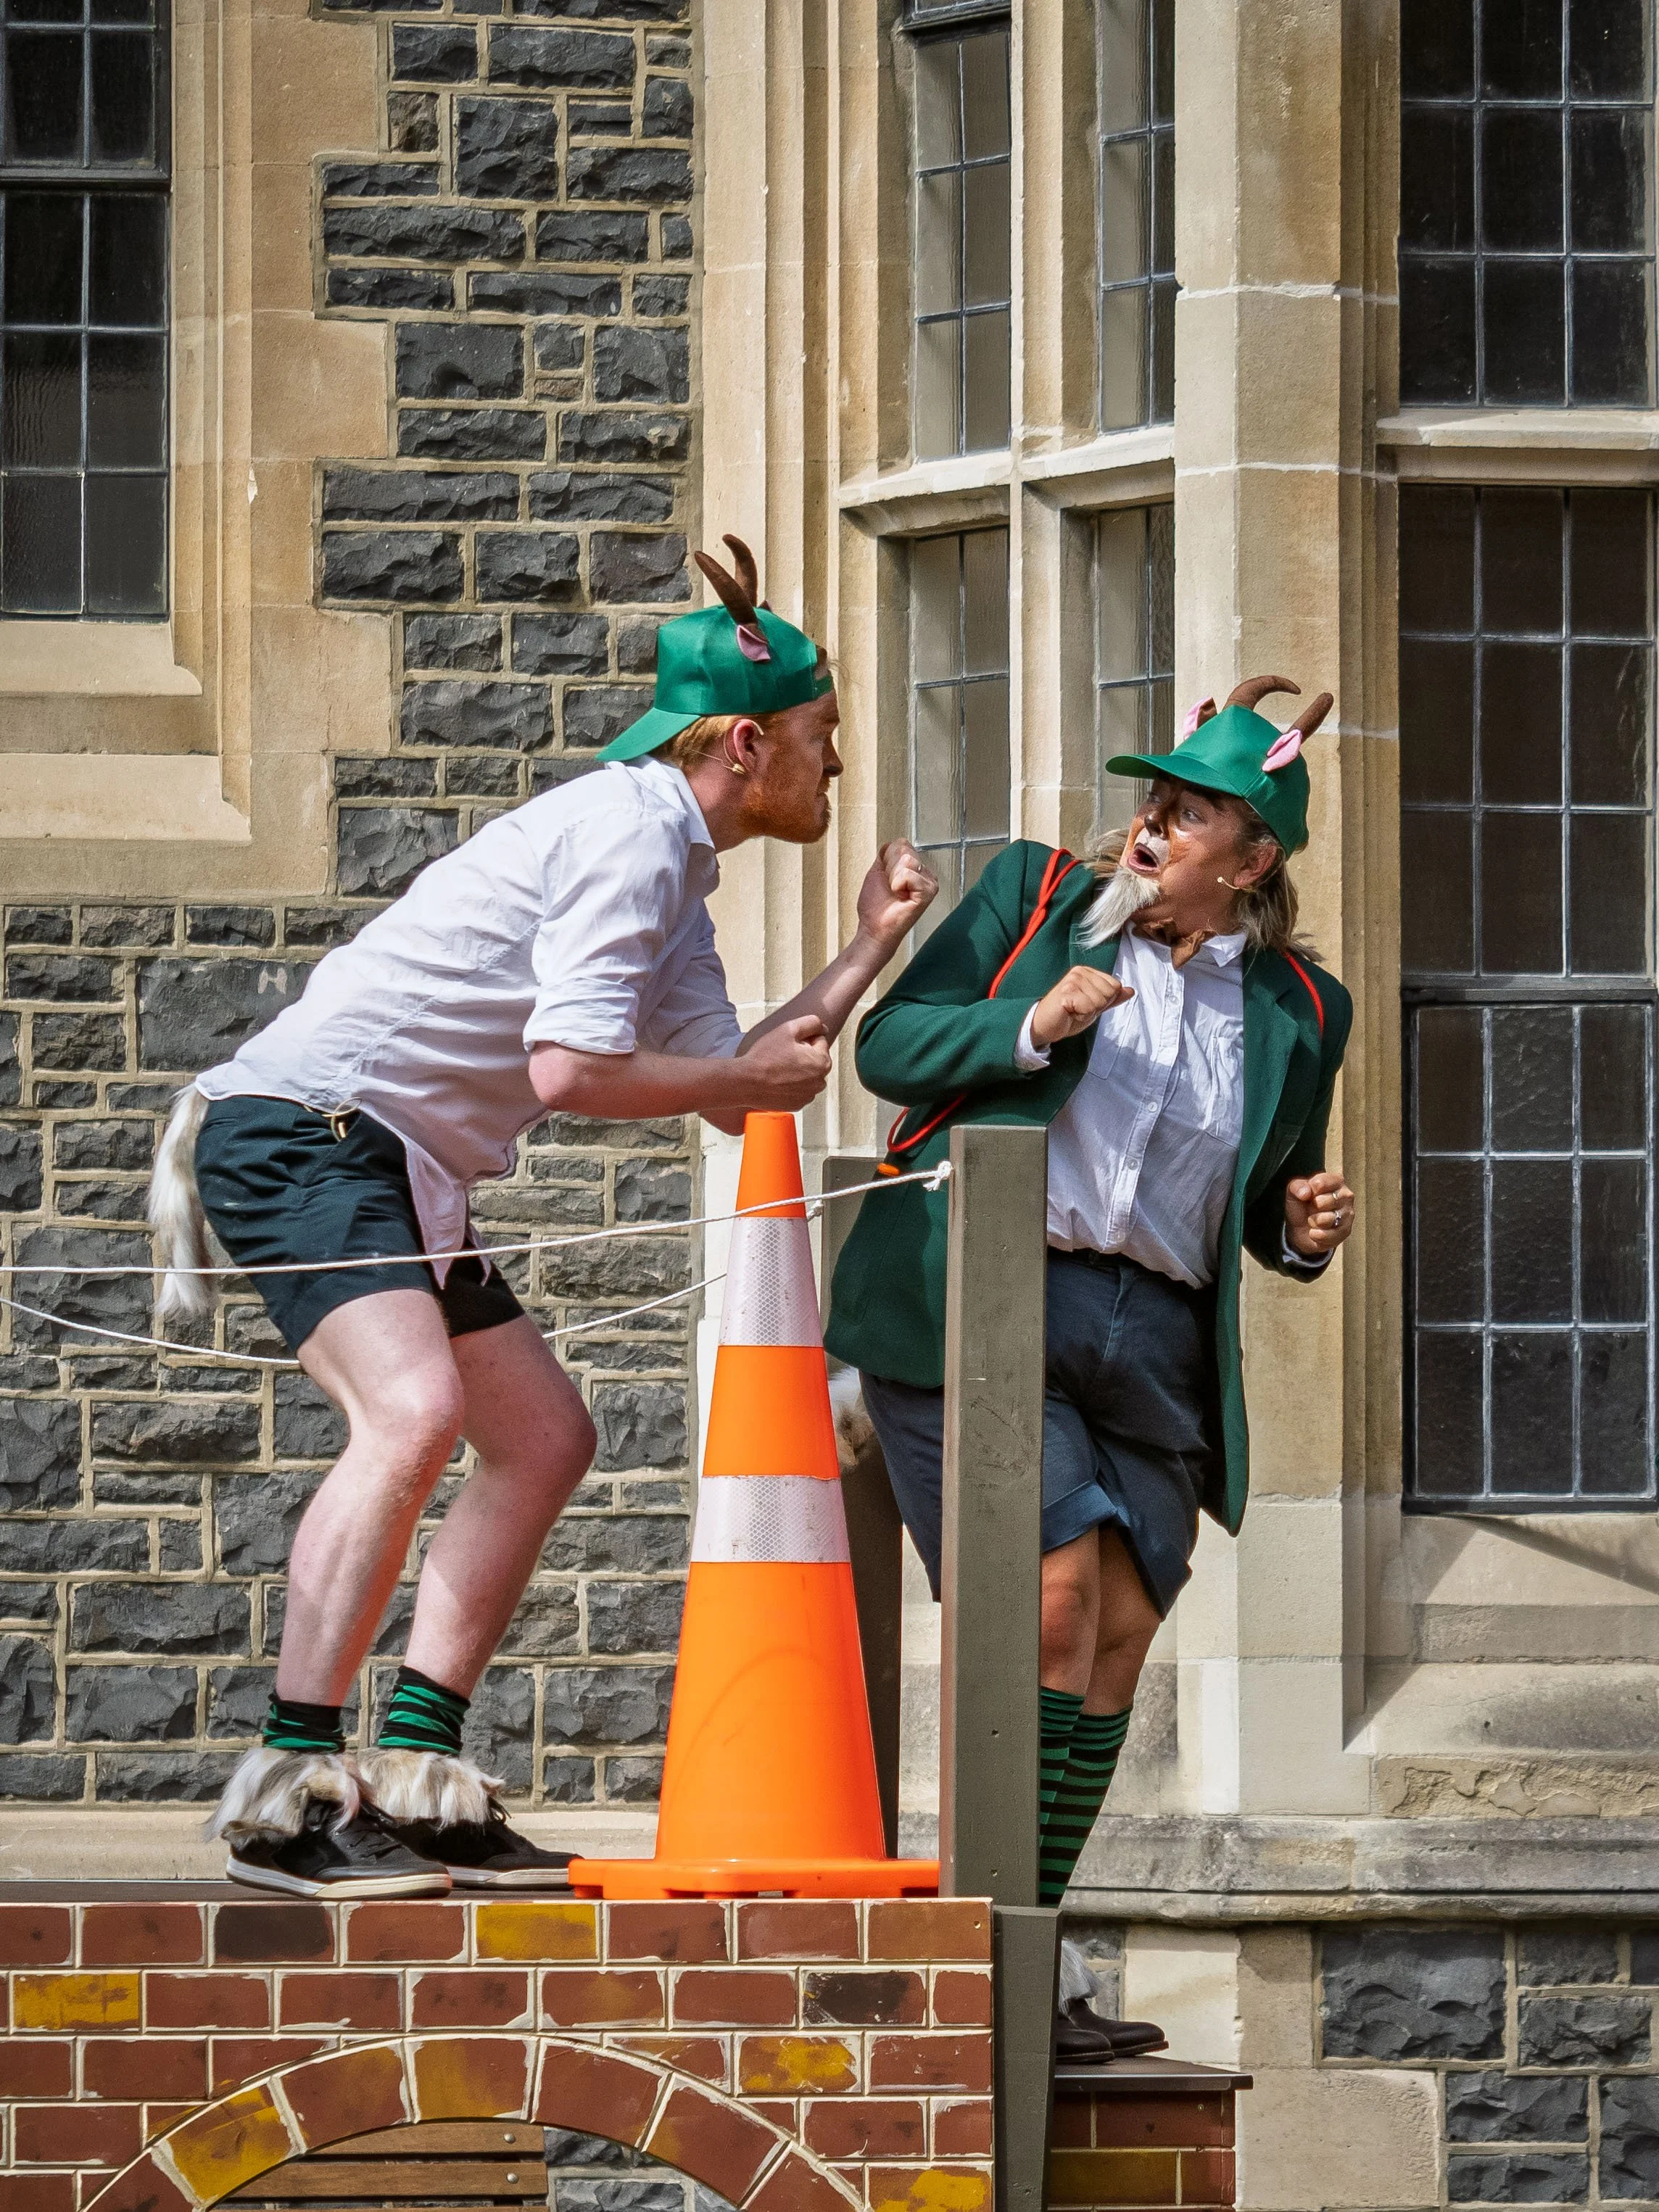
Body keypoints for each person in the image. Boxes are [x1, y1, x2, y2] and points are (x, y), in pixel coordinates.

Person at [149, 537, 937, 1898]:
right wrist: (747, 1079)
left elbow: (729, 1083)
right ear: (747, 743)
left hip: (391, 1162)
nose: (840, 764)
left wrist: (871, 943)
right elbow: (572, 1069)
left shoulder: (673, 869)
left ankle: (418, 1772)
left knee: (545, 1436)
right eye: (824, 735)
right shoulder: (630, 837)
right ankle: (287, 1794)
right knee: (412, 1415)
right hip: (305, 1129)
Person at [825, 676, 1355, 2056]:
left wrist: (1298, 1228)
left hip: (1159, 1341)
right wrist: (1033, 1024)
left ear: (1254, 860)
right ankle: (986, 1963)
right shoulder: (1036, 893)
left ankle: (1030, 1958)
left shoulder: (1304, 1003)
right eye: (1157, 798)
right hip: (992, 1296)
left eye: (1193, 812)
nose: (1156, 823)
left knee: (1116, 1642)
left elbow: (1260, 1195)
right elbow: (889, 1047)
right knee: (1051, 1606)